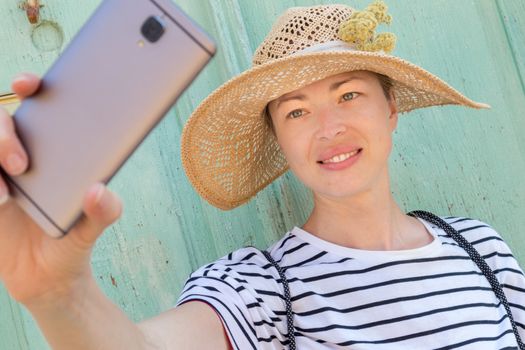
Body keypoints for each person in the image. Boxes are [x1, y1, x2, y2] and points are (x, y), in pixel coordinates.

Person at [0, 1, 523, 349]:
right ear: (279, 139)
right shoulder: (263, 287)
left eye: (349, 94)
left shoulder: (481, 248)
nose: (328, 128)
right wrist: (58, 296)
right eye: (296, 111)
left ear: (391, 108)